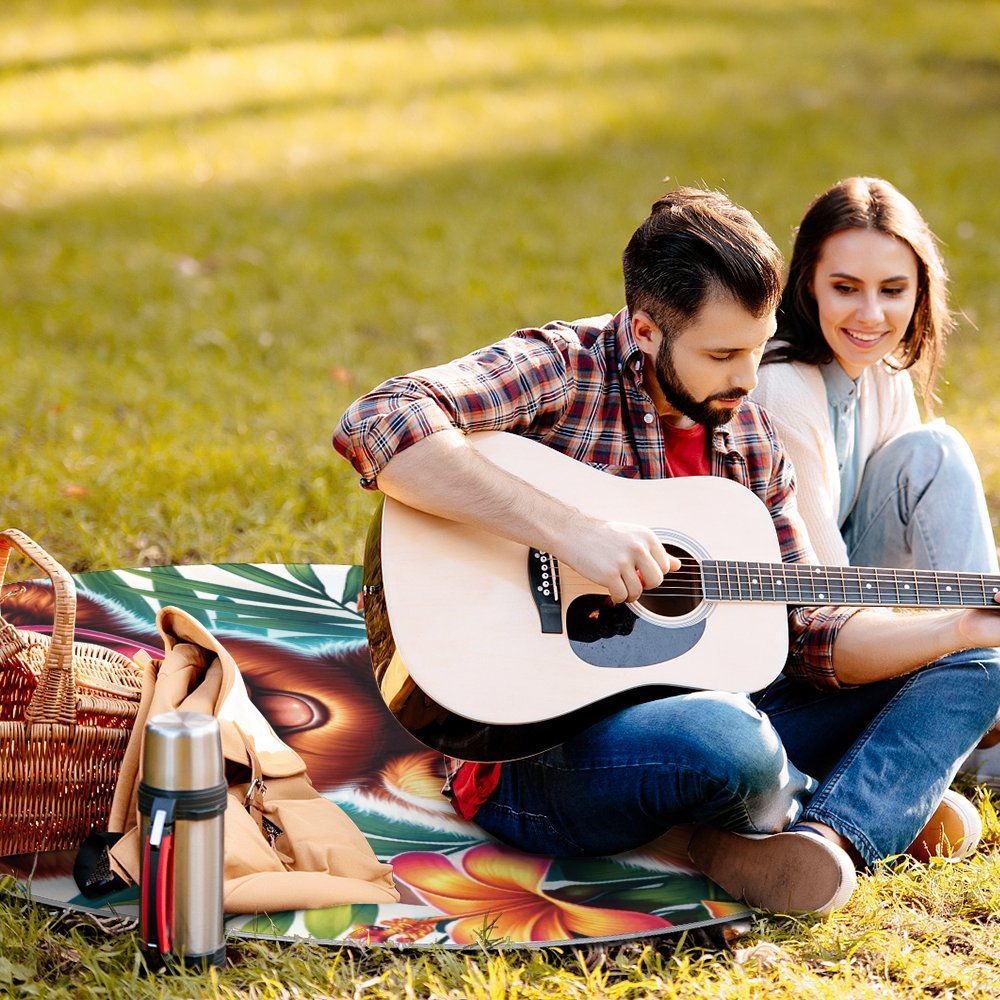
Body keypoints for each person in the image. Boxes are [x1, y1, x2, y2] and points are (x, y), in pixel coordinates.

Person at [333, 187, 1000, 916]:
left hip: (729, 709)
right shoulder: (564, 367)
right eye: (722, 354)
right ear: (646, 330)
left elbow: (809, 629)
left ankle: (830, 837)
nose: (748, 380)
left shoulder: (748, 435)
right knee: (728, 742)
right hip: (539, 754)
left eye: (757, 346)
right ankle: (850, 798)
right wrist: (569, 530)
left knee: (980, 665)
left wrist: (957, 628)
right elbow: (380, 419)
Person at [753, 176, 1000, 790]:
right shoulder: (783, 385)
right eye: (845, 288)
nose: (871, 315)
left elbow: (921, 537)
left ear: (920, 291)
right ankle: (976, 718)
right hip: (795, 646)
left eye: (893, 290)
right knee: (937, 451)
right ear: (807, 281)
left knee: (931, 451)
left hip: (860, 609)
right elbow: (823, 602)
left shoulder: (882, 370)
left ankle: (979, 694)